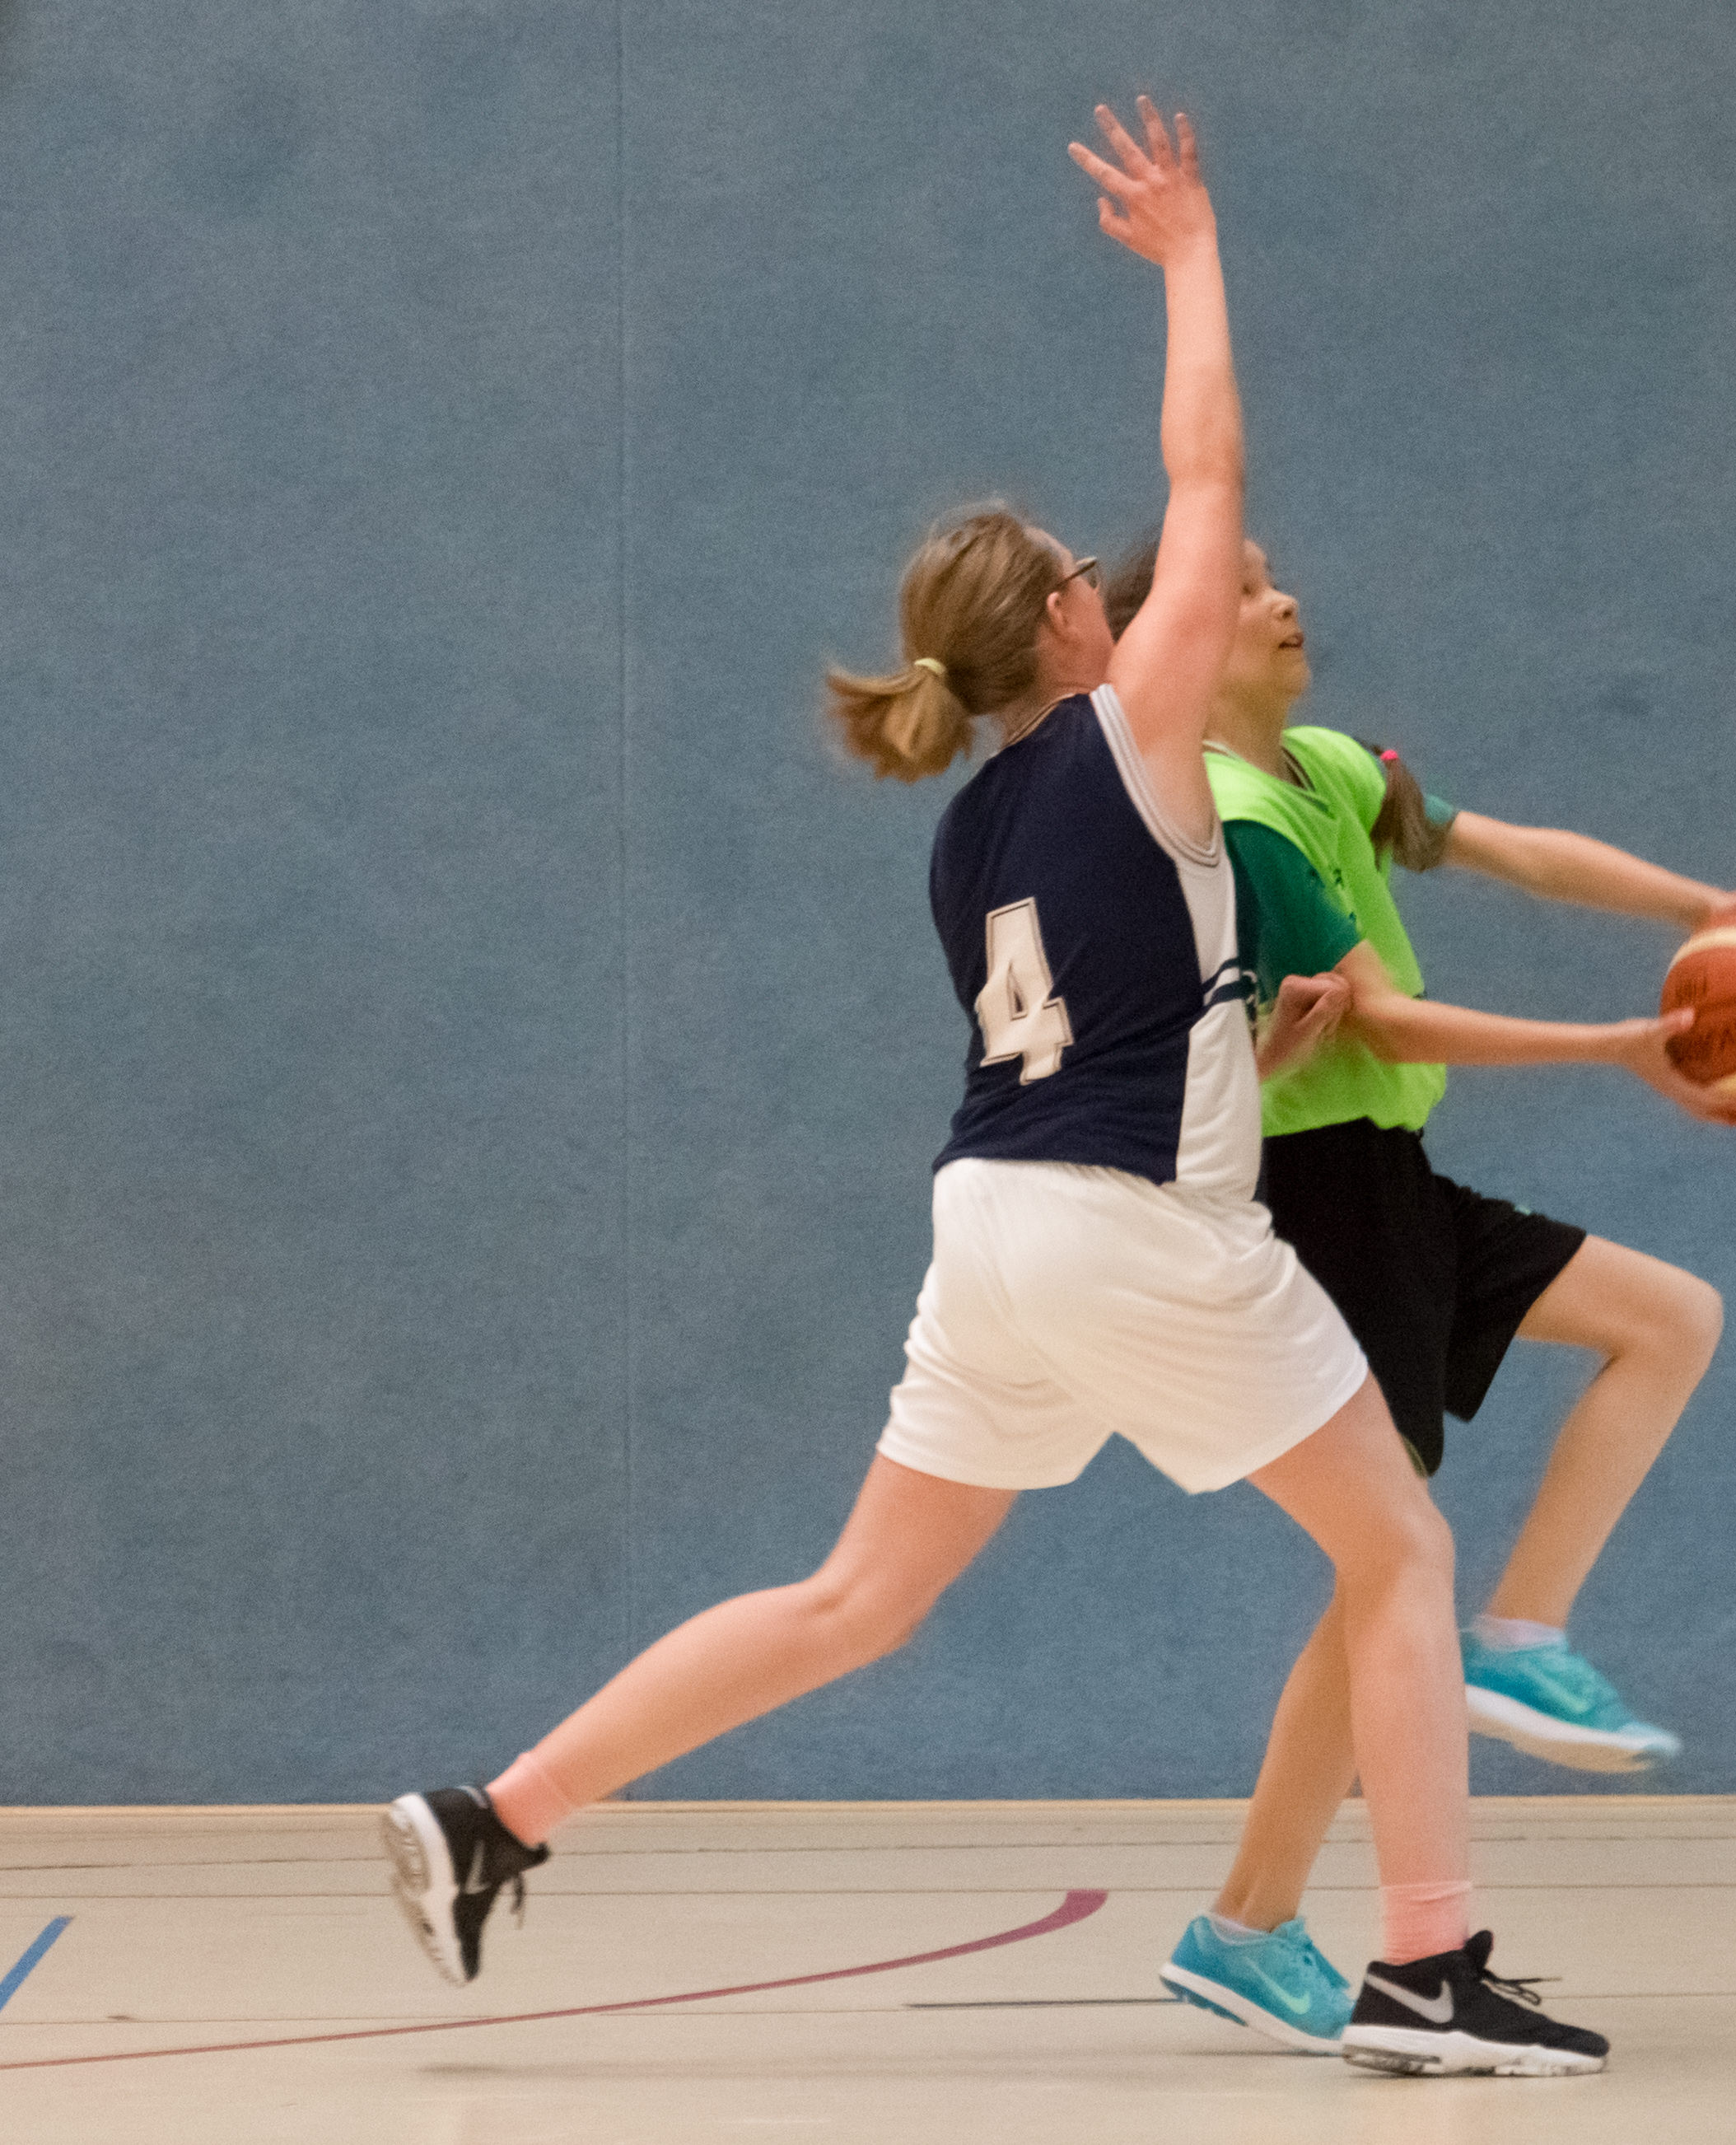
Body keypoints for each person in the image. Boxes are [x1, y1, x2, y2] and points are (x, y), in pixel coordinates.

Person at [377, 101, 1607, 2080]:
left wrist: (1249, 1049)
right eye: (1080, 576)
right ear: (1060, 621)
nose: (1116, 586)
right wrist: (1192, 254)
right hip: (1130, 1228)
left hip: (996, 1229)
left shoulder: (971, 833)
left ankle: (498, 1814)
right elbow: (1205, 469)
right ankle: (1425, 1965)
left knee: (855, 1596)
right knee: (1398, 1551)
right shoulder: (1132, 732)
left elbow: (1102, 1033)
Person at [1096, 537, 1736, 2053]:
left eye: (1274, 576)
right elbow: (1387, 1022)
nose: (1281, 598)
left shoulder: (1332, 767)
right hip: (1315, 1200)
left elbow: (1515, 850)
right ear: (1176, 637)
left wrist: (1708, 910)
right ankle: (1280, 1924)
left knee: (1666, 1319)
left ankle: (1505, 1649)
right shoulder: (1236, 821)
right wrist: (1616, 1048)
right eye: (1242, 587)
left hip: (1393, 1182)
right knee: (1383, 1566)